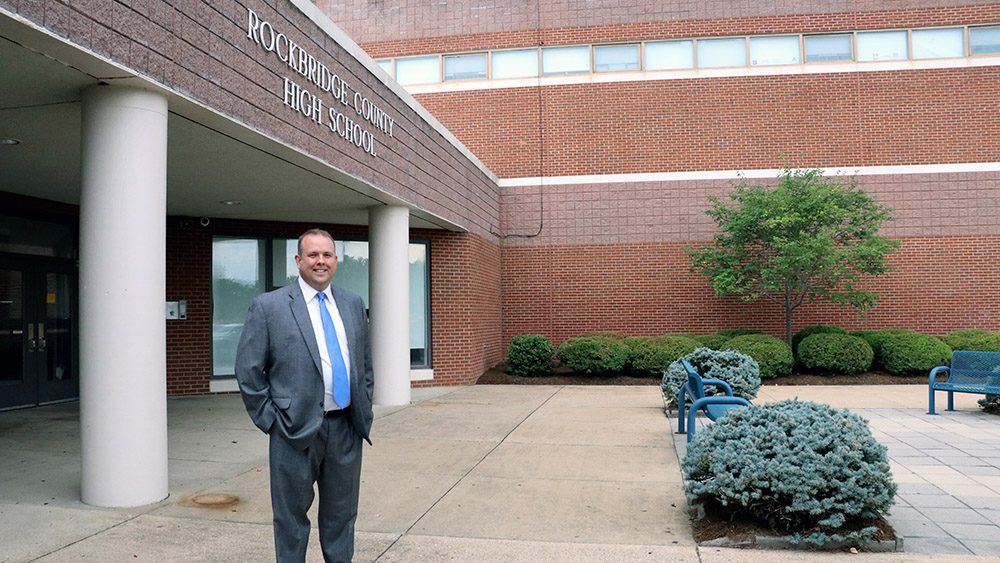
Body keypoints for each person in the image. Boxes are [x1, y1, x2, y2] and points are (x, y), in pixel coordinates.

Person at [235, 228, 374, 562]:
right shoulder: (269, 307)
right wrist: (271, 420)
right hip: (292, 432)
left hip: (344, 429)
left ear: (336, 260)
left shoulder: (353, 304)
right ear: (298, 261)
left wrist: (363, 409)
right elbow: (249, 371)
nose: (320, 261)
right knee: (290, 520)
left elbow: (364, 366)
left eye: (327, 255)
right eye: (313, 255)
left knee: (342, 517)